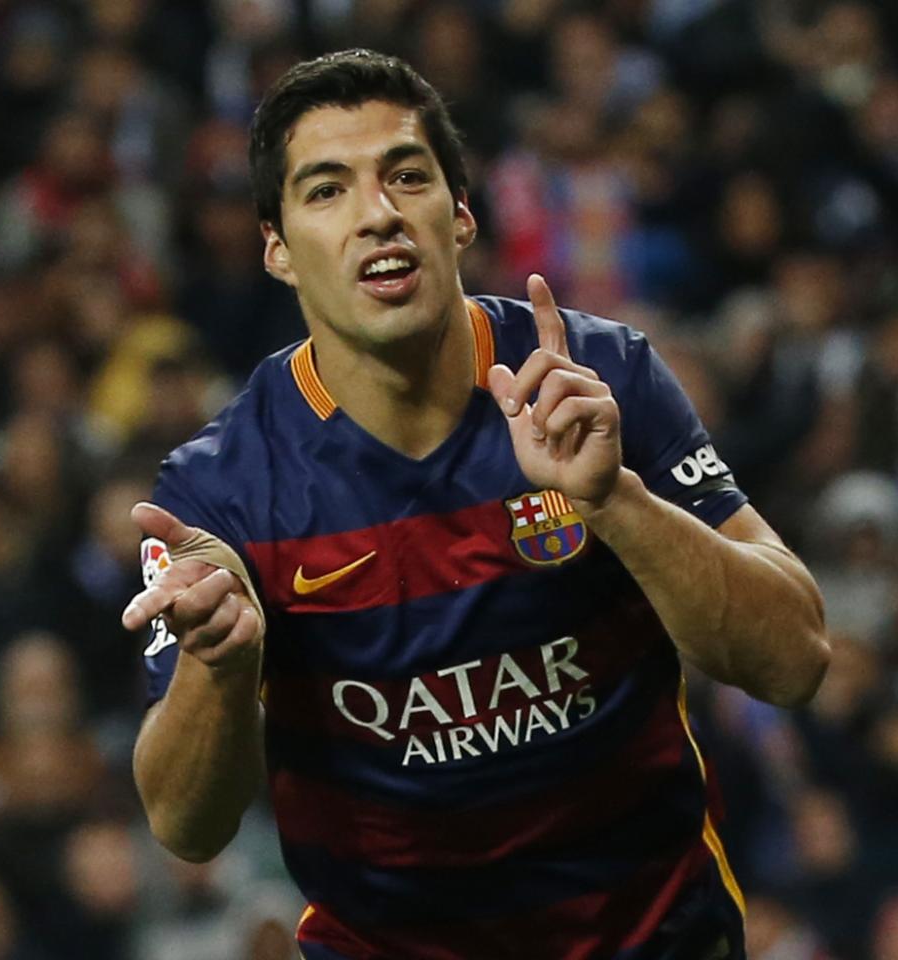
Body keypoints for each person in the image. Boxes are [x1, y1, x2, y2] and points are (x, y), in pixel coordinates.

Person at [120, 49, 830, 959]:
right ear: (277, 248)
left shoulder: (599, 379)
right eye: (327, 190)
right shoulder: (216, 493)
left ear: (458, 216)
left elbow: (797, 659)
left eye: (406, 176)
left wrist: (617, 501)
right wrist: (219, 667)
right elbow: (185, 824)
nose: (378, 213)